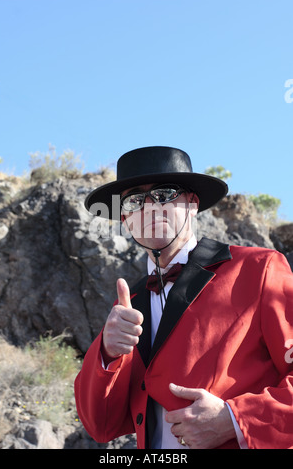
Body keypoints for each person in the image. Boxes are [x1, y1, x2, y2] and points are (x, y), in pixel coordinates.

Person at [74, 146, 293, 449]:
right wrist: (107, 353)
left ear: (192, 203)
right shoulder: (128, 304)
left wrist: (234, 419)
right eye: (135, 200)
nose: (149, 207)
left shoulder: (259, 269)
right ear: (125, 219)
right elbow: (100, 426)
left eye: (164, 194)